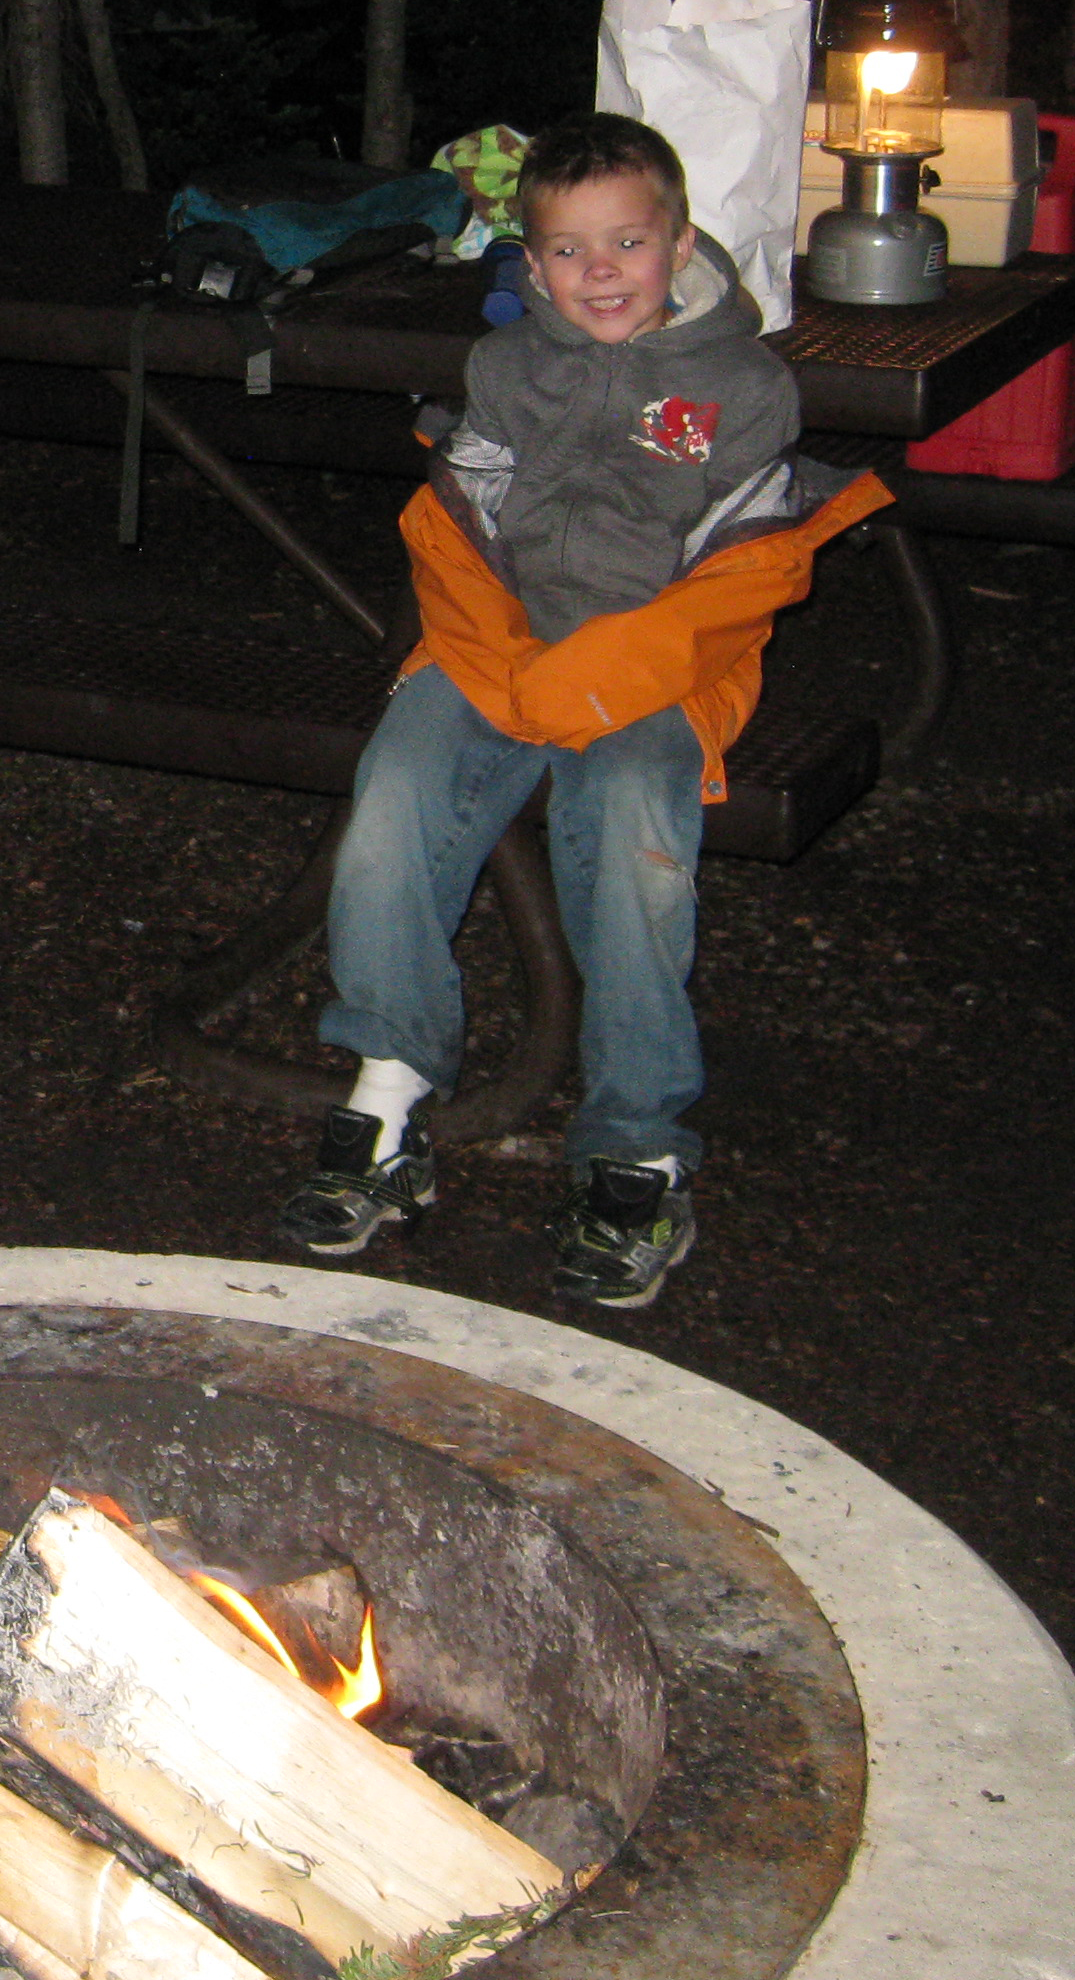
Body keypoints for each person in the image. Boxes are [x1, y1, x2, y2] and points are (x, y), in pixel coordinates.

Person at [278, 112, 889, 1307]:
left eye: (627, 243)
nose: (599, 273)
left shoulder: (742, 388)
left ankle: (637, 1144)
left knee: (631, 827)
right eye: (566, 250)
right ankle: (389, 1098)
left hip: (661, 665)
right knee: (397, 790)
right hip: (501, 647)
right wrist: (501, 659)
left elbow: (742, 576)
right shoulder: (506, 369)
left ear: (679, 240)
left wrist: (600, 678)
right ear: (529, 256)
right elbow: (464, 529)